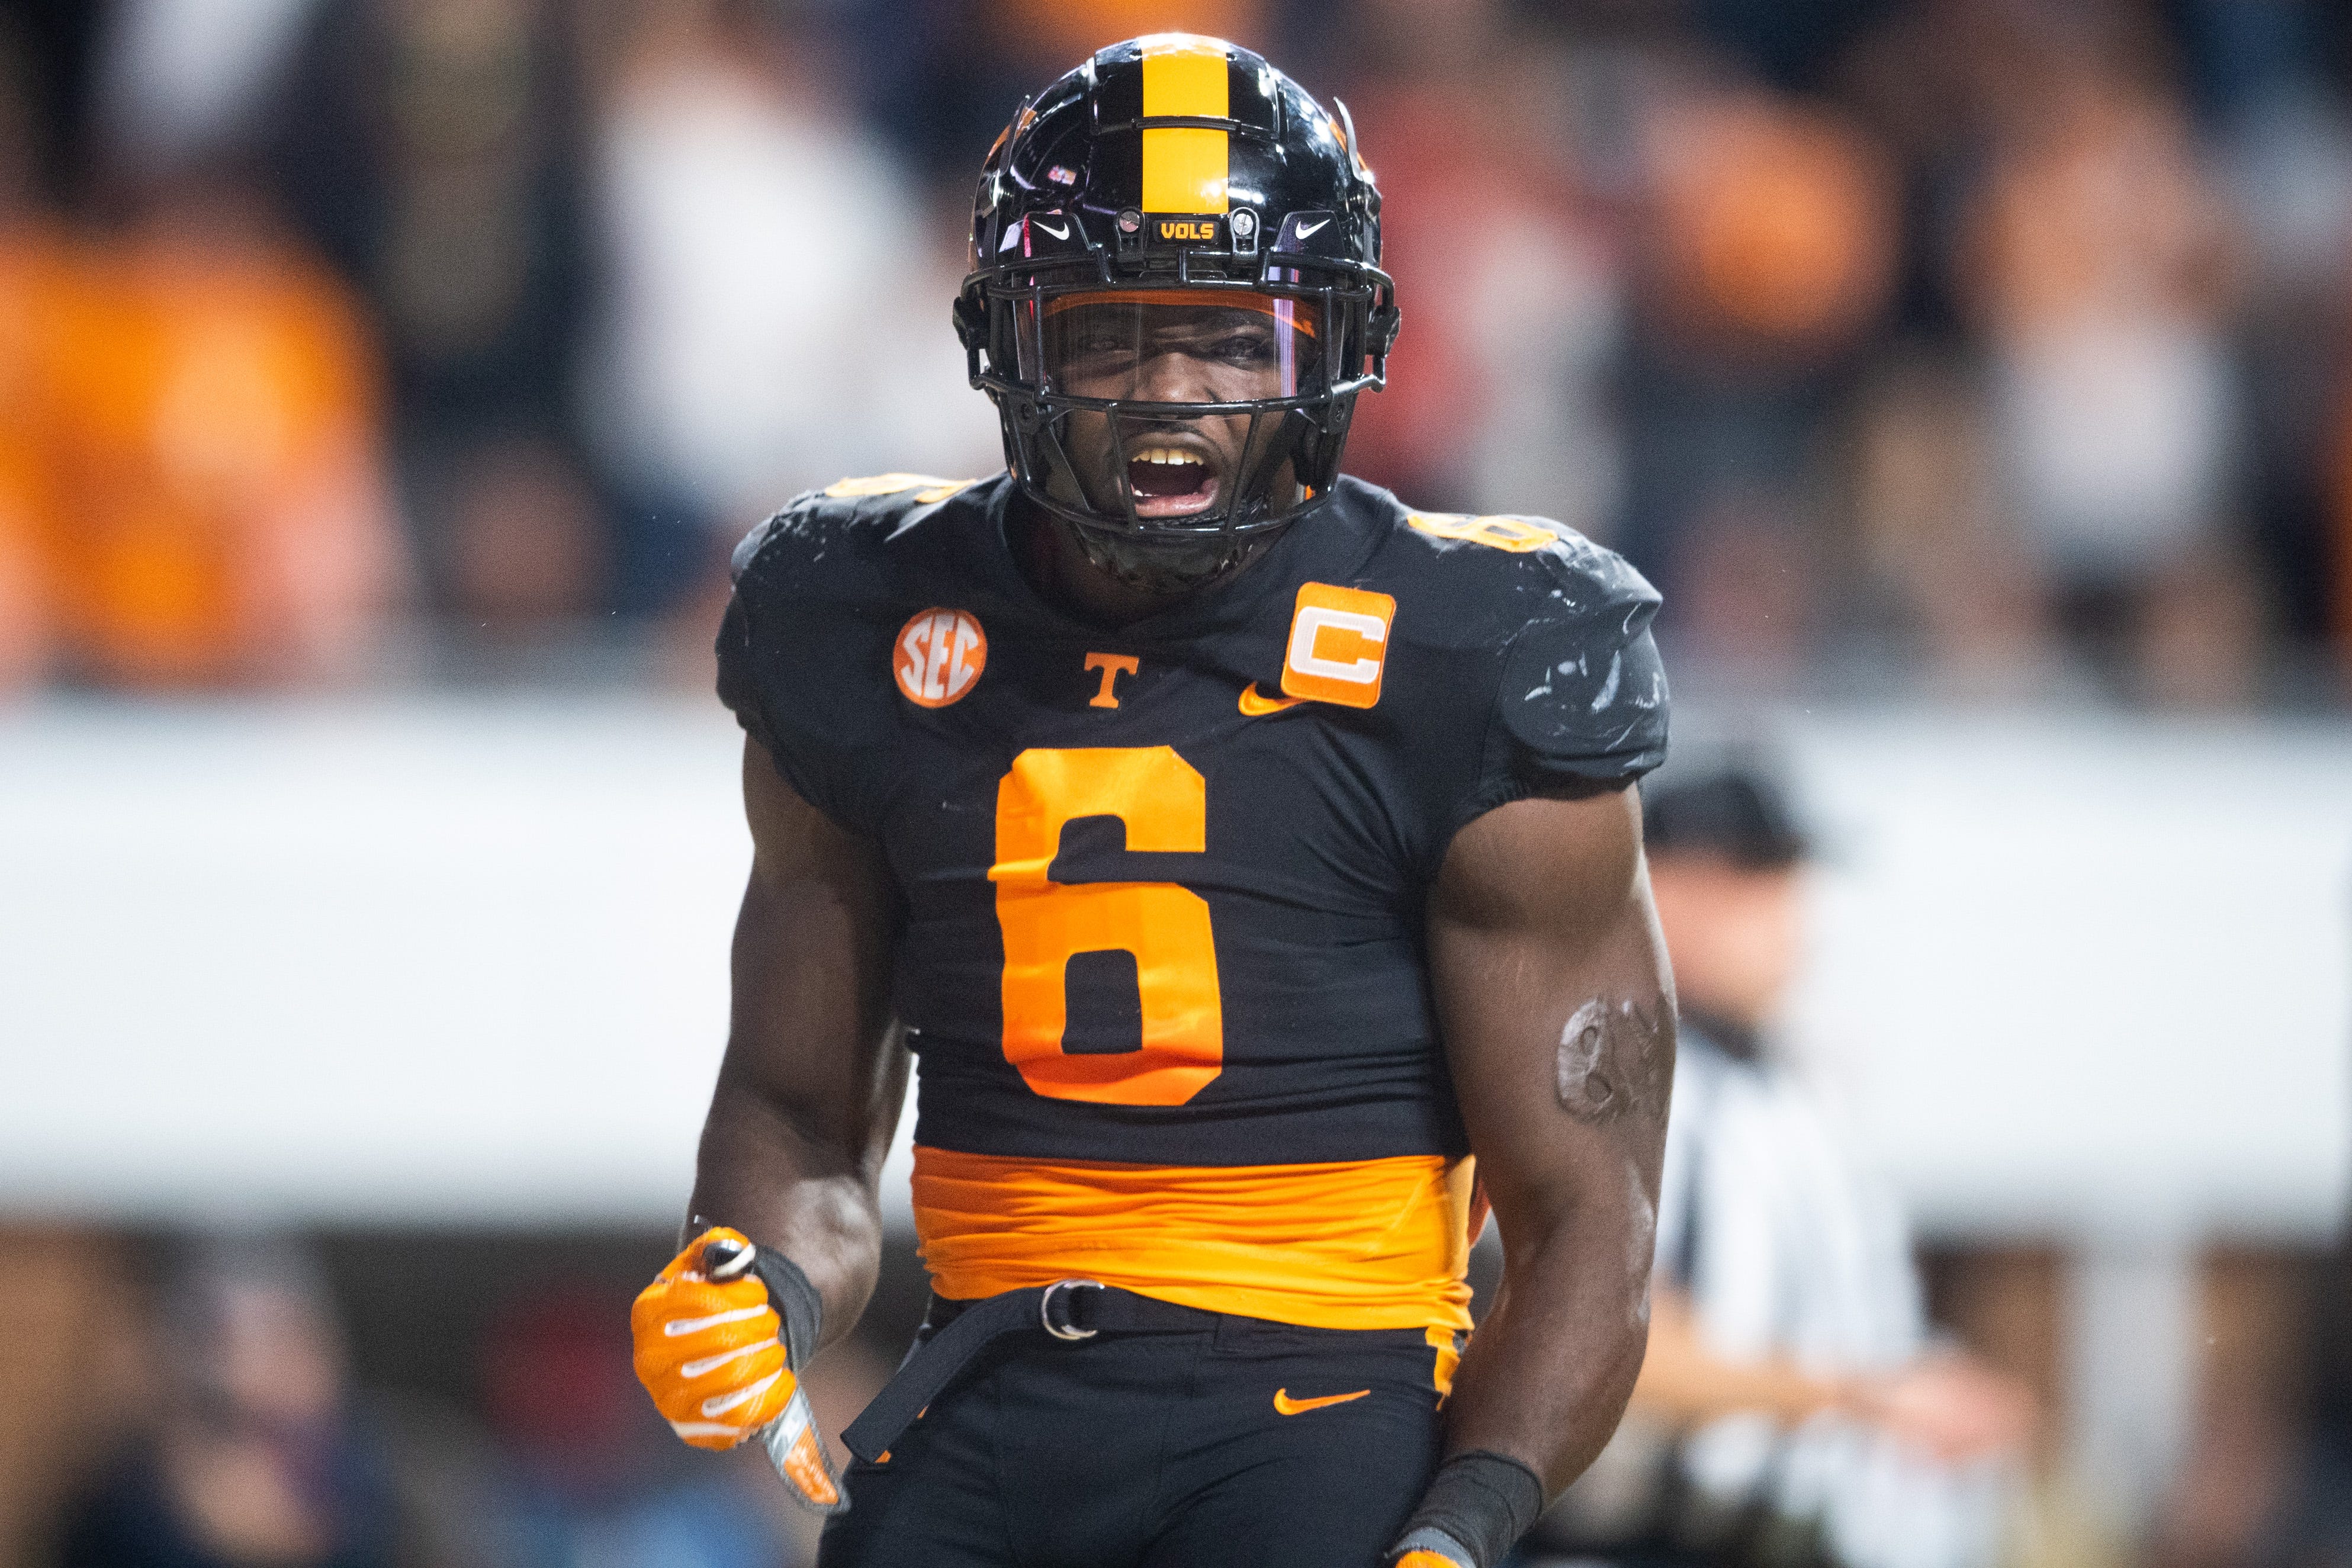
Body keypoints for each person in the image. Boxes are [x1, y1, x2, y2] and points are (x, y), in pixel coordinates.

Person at [629, 34, 1675, 1568]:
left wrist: (1465, 1522)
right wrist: (755, 1282)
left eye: (1234, 339)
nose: (1174, 395)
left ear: (1336, 344)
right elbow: (799, 1121)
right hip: (988, 1381)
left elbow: (1593, 1213)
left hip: (1326, 1394)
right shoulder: (859, 619)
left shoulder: (1476, 650)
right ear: (1009, 342)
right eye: (1114, 335)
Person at [1525, 764, 2033, 1568]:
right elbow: (1593, 1337)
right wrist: (1860, 1397)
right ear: (1664, 884)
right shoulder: (1616, 1075)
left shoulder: (1791, 1088)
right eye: (1753, 882)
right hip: (1647, 1539)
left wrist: (1898, 1389)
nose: (1793, 917)